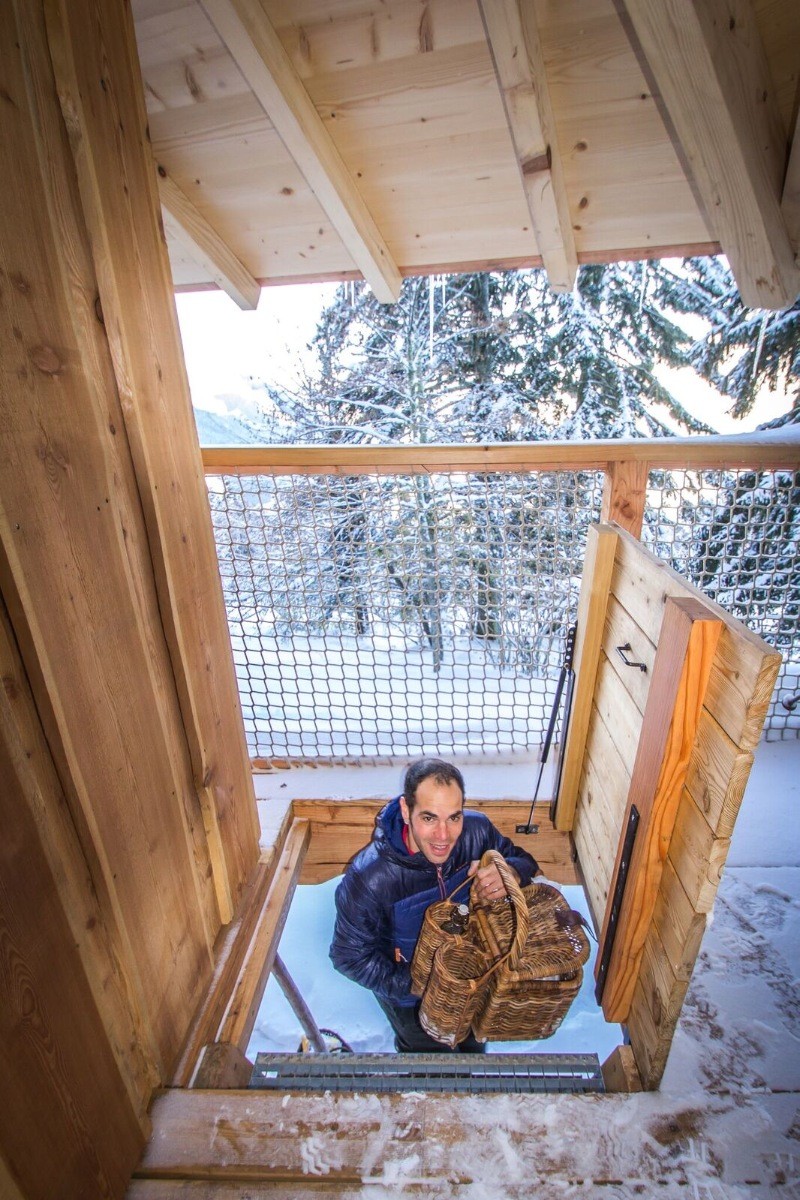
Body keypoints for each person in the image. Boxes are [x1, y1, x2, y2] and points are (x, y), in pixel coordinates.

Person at [329, 757, 539, 1053]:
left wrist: (511, 873)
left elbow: (522, 859)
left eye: (454, 817)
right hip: (411, 1003)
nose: (444, 836)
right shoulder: (371, 878)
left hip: (472, 980)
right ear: (405, 810)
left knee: (472, 1048)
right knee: (426, 1059)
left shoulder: (477, 832)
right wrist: (410, 985)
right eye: (429, 818)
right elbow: (347, 955)